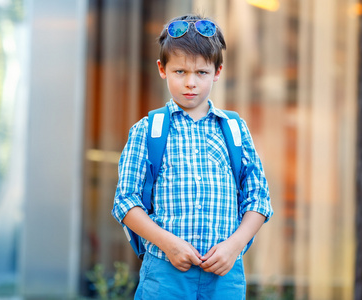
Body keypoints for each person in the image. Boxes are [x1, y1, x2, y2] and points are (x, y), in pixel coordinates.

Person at [112, 13, 273, 299]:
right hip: (165, 275)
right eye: (180, 72)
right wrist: (168, 244)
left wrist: (234, 246)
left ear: (218, 71)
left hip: (225, 275)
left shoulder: (234, 130)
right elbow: (125, 202)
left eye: (201, 73)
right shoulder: (147, 130)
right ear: (162, 69)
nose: (191, 83)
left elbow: (259, 198)